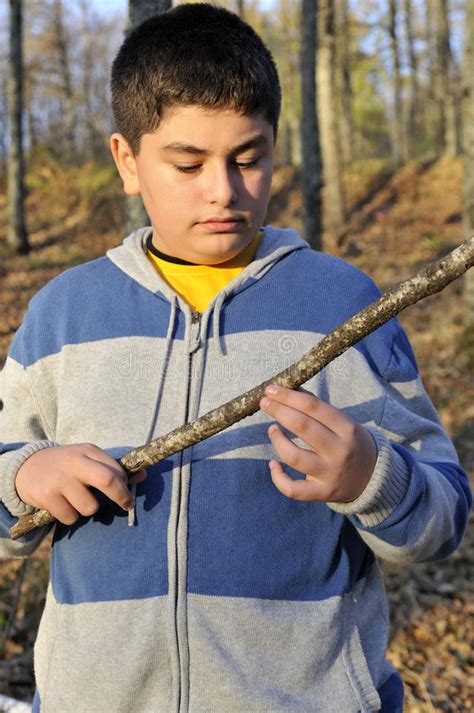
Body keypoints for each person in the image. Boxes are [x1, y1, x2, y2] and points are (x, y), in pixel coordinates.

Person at [0, 4, 471, 712]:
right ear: (127, 161)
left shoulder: (340, 303)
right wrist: (24, 475)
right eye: (187, 163)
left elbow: (445, 513)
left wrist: (371, 476)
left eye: (249, 157)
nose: (223, 189)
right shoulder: (63, 316)